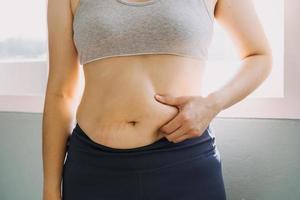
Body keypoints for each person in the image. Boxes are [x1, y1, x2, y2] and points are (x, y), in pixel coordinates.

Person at [42, 0, 273, 199]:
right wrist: (50, 190)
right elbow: (60, 92)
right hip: (93, 167)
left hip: (184, 162)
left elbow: (259, 56)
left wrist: (213, 103)